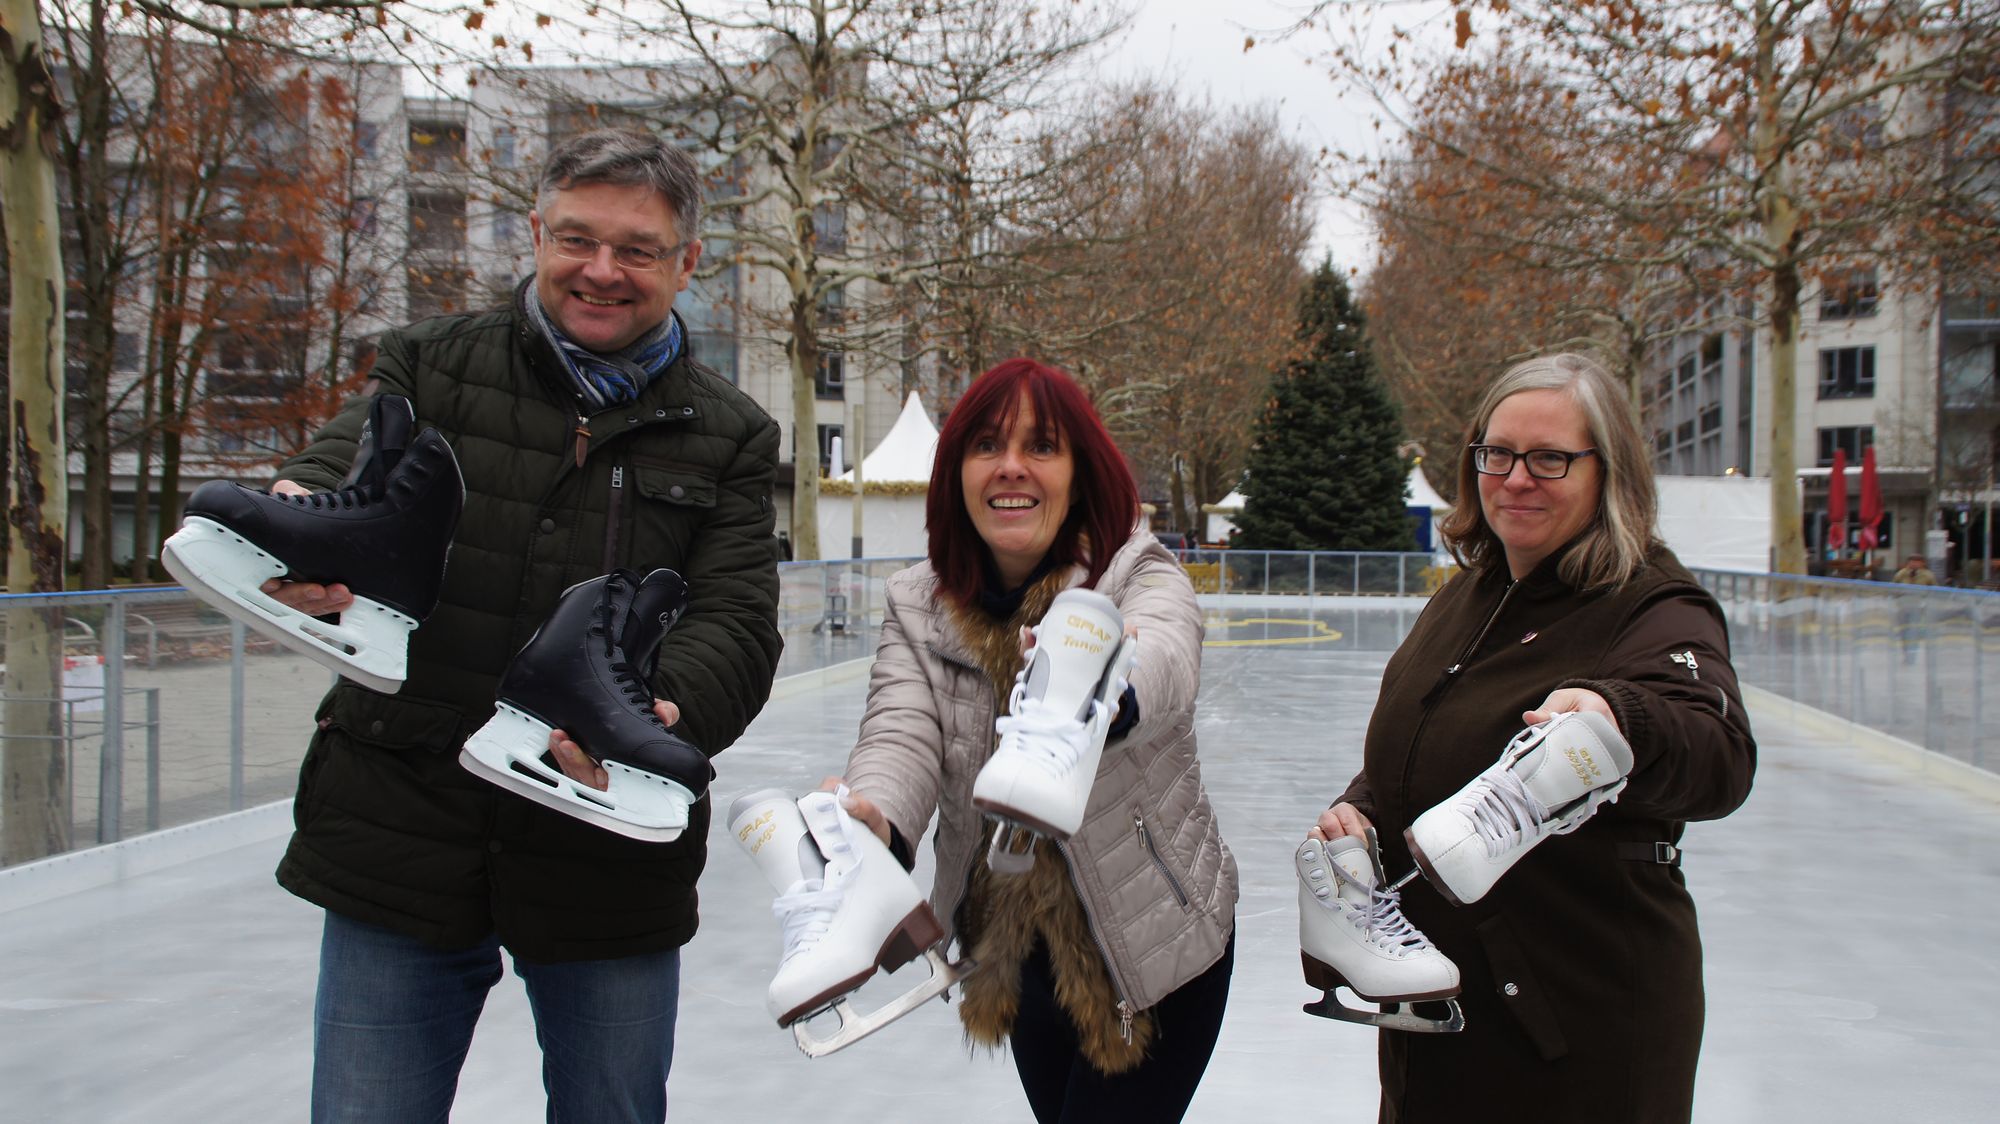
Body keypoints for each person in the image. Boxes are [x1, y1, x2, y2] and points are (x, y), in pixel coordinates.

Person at [263, 128, 782, 1122]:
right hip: (402, 826)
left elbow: (736, 617)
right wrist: (299, 517)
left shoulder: (730, 435)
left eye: (636, 250)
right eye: (577, 239)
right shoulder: (430, 364)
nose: (601, 270)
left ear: (687, 262)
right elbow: (347, 468)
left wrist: (663, 714)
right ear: (537, 234)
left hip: (606, 852)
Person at [1310, 353, 1756, 1123]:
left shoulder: (1652, 604)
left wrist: (1621, 716)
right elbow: (1419, 751)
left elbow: (1718, 752)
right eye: (1499, 453)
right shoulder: (1469, 596)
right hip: (1444, 1016)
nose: (1516, 479)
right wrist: (1362, 814)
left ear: (1607, 471)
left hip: (1575, 1027)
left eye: (1550, 458)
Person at [829, 358, 1237, 1124]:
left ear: (1079, 474)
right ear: (957, 474)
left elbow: (1165, 650)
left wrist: (1097, 688)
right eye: (986, 445)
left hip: (1154, 951)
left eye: (1041, 446)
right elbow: (900, 732)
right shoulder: (917, 602)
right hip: (1015, 953)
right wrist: (873, 816)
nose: (1011, 466)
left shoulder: (1134, 568)